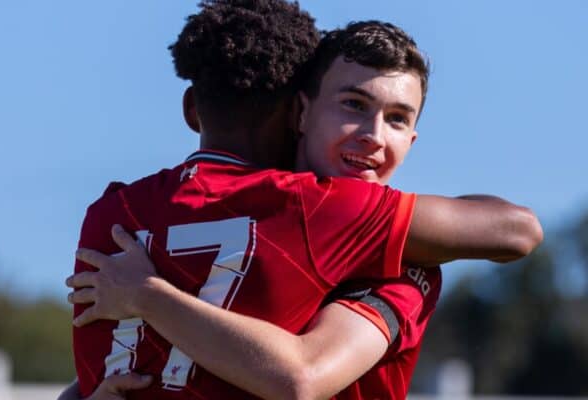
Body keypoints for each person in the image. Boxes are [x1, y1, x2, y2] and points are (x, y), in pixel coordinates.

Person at [63, 1, 543, 399]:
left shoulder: (116, 213)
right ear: (300, 111)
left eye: (397, 118)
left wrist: (148, 298)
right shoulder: (310, 209)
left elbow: (296, 372)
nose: (374, 136)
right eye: (354, 105)